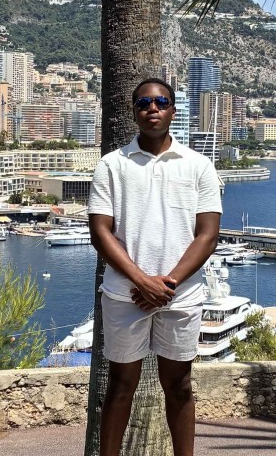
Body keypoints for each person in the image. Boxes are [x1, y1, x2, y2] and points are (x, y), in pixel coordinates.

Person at [87, 77, 223, 456]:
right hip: (124, 294)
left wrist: (168, 283)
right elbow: (100, 232)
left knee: (179, 386)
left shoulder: (199, 166)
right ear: (133, 112)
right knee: (120, 386)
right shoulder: (111, 166)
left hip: (180, 296)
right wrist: (142, 281)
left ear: (173, 111)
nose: (152, 109)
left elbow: (208, 235)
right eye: (144, 103)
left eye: (161, 102)